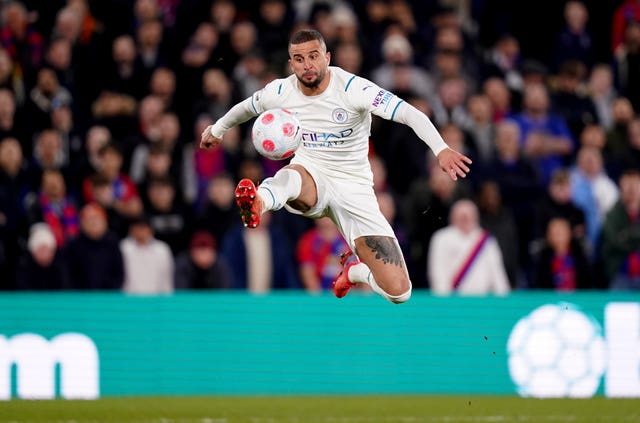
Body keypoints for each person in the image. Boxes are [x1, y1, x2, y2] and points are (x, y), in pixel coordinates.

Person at [200, 29, 472, 303]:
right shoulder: (281, 91)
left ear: (327, 57)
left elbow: (408, 112)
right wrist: (218, 128)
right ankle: (260, 201)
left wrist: (441, 148)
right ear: (291, 63)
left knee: (400, 292)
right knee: (294, 175)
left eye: (313, 56)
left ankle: (355, 272)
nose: (307, 64)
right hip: (312, 177)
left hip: (355, 190)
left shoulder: (353, 89)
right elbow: (247, 107)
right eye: (299, 58)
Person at [427, 199, 510, 296]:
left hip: (482, 300)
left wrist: (503, 298)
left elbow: (497, 274)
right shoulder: (441, 238)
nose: (465, 219)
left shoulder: (487, 240)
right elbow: (438, 271)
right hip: (453, 300)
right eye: (461, 217)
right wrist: (442, 300)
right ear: (453, 217)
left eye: (469, 216)